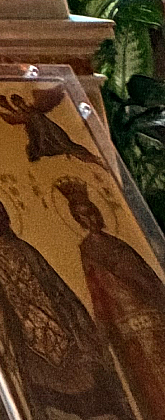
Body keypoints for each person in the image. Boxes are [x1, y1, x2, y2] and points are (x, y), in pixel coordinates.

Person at [0, 190, 130, 419]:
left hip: (64, 333)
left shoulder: (26, 248)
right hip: (32, 343)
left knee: (94, 390)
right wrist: (5, 345)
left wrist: (81, 322)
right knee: (52, 401)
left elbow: (57, 289)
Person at [54, 176, 165, 410]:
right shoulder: (88, 251)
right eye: (82, 216)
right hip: (128, 329)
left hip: (155, 320)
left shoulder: (120, 243)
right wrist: (103, 330)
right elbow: (98, 292)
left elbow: (150, 280)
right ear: (77, 220)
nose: (90, 218)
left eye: (91, 211)